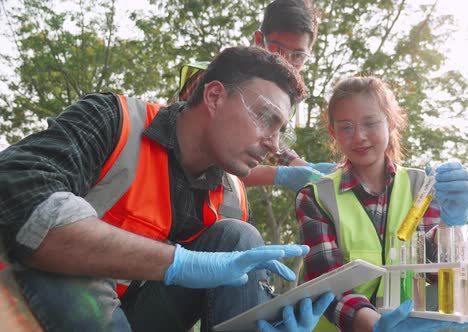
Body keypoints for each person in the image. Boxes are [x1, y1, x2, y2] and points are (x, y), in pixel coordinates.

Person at [0, 46, 332, 332]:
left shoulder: (232, 197)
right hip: (25, 305)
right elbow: (16, 196)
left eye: (280, 130)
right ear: (214, 96)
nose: (273, 144)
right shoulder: (114, 121)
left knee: (239, 238)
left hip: (130, 317)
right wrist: (180, 263)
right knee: (74, 259)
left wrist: (262, 320)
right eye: (265, 118)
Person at [296, 76, 468, 331]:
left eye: (370, 123)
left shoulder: (421, 186)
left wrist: (452, 222)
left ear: (391, 122)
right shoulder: (316, 197)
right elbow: (327, 287)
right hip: (347, 328)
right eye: (346, 127)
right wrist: (375, 326)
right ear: (333, 132)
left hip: (405, 322)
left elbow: (437, 273)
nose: (359, 137)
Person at [174, 0, 337, 192]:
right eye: (278, 49)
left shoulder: (281, 101)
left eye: (298, 55)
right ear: (259, 39)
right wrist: (282, 175)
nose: (286, 62)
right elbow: (214, 159)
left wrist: (309, 168)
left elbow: (276, 151)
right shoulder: (218, 78)